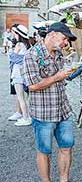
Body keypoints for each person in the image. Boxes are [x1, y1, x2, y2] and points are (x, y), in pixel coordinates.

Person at [22, 22, 77, 182]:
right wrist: (57, 77)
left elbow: (61, 78)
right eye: (64, 38)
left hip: (64, 110)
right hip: (43, 113)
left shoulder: (58, 54)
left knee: (66, 148)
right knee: (44, 151)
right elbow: (31, 86)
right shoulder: (32, 55)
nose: (66, 43)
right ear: (52, 34)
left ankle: (63, 180)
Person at [8, 24, 31, 126]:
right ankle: (26, 117)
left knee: (20, 97)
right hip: (23, 72)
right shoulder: (26, 44)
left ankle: (26, 118)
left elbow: (12, 58)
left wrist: (10, 49)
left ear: (17, 33)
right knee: (24, 97)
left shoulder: (18, 45)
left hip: (17, 73)